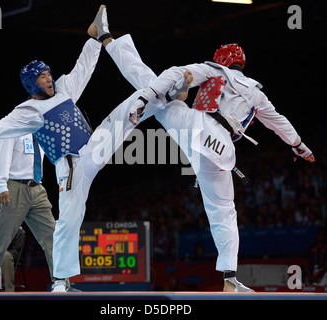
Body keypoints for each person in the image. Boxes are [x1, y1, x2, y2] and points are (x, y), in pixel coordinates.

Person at [0, 5, 169, 292]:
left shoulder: (64, 88)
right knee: (69, 220)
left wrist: (94, 41)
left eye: (48, 73)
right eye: (42, 77)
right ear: (31, 83)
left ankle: (159, 91)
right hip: (71, 166)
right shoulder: (27, 111)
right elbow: (0, 129)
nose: (49, 78)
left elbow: (84, 67)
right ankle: (61, 280)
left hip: (93, 147)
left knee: (132, 107)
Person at [128, 43, 315, 291]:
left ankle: (127, 63)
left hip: (197, 127)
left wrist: (146, 95)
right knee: (224, 211)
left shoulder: (214, 70)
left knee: (161, 98)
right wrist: (299, 145)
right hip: (221, 149)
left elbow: (176, 71)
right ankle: (229, 278)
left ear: (221, 59)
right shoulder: (256, 94)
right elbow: (278, 122)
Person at [0, 135, 63, 292]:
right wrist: (1, 186)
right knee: (1, 239)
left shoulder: (42, 132)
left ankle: (62, 283)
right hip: (14, 187)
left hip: (37, 189)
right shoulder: (14, 128)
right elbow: (2, 157)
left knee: (53, 236)